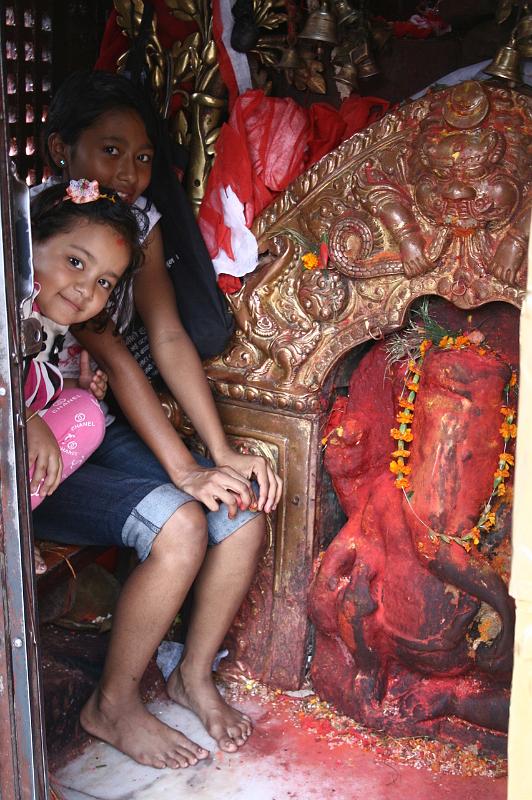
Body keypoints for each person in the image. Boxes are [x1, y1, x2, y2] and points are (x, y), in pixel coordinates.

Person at [32, 70, 283, 770]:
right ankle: (112, 704)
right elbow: (106, 348)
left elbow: (162, 337)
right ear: (61, 149)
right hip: (37, 439)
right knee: (180, 521)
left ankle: (191, 673)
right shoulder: (37, 235)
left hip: (83, 422)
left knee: (240, 508)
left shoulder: (129, 228)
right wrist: (184, 469)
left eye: (143, 158)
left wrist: (218, 456)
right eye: (110, 151)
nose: (130, 173)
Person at [26, 178, 143, 572]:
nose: (85, 289)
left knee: (86, 411)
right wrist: (26, 419)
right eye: (75, 262)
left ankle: (12, 524)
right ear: (31, 243)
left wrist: (72, 387)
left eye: (104, 282)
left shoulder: (48, 325)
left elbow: (30, 380)